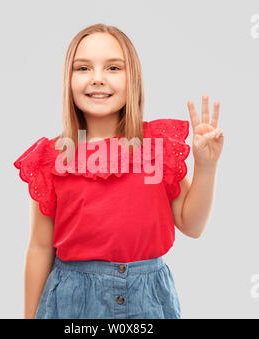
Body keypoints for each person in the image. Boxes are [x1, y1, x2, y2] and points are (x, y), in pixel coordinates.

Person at [13, 23, 224, 319]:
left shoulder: (154, 148)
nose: (97, 79)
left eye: (113, 68)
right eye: (83, 68)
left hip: (148, 298)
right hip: (73, 301)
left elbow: (192, 225)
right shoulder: (54, 157)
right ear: (68, 79)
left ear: (133, 79)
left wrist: (207, 166)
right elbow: (39, 247)